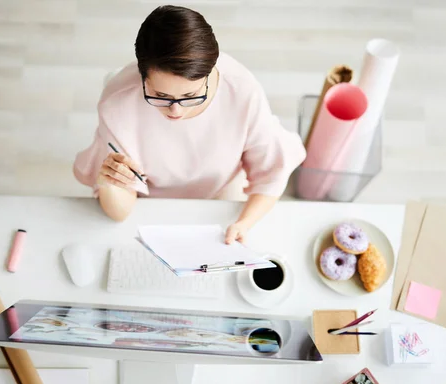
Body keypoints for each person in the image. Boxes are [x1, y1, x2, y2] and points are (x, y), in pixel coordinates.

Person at [73, 5, 306, 244]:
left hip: (221, 190)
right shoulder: (119, 101)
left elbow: (270, 175)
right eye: (160, 95)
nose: (176, 110)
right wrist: (110, 182)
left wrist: (243, 223)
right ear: (142, 75)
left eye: (191, 95)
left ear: (209, 74)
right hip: (149, 199)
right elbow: (120, 213)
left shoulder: (243, 92)